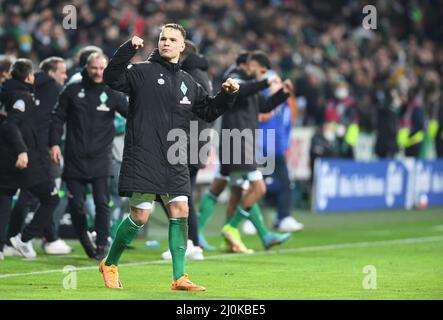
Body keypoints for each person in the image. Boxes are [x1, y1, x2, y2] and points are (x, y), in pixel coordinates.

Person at [100, 23, 239, 291]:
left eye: (172, 39)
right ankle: (110, 263)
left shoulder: (189, 82)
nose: (166, 42)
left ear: (182, 46)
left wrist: (227, 95)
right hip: (144, 154)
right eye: (163, 38)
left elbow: (208, 111)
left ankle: (179, 277)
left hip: (175, 158)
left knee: (181, 210)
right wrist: (128, 49)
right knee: (140, 216)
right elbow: (111, 77)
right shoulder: (141, 72)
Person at [50, 53, 129, 260]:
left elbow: (133, 112)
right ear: (87, 67)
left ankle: (102, 244)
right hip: (75, 158)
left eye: (102, 68)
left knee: (102, 203)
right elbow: (57, 118)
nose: (98, 72)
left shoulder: (112, 93)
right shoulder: (73, 90)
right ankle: (85, 240)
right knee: (76, 206)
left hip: (101, 159)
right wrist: (54, 144)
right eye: (94, 68)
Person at [4, 57, 71, 256]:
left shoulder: (14, 91)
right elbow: (51, 120)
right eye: (61, 72)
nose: (64, 76)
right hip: (37, 152)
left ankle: (11, 241)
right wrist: (53, 144)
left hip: (18, 150)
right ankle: (40, 238)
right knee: (47, 196)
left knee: (18, 196)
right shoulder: (50, 89)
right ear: (50, 73)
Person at [161, 40, 212, 261]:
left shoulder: (189, 76)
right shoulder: (201, 74)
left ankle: (190, 241)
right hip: (197, 142)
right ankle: (193, 241)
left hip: (186, 142)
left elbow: (184, 112)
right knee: (181, 193)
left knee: (177, 193)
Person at [256, 70, 304, 233]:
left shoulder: (285, 104)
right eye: (274, 82)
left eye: (278, 81)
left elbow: (286, 127)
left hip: (277, 150)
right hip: (261, 149)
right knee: (256, 186)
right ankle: (251, 219)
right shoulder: (261, 102)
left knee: (285, 184)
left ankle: (283, 217)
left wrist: (285, 146)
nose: (278, 85)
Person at [324, 80, 360, 158]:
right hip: (336, 126)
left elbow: (352, 116)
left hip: (349, 127)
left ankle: (349, 151)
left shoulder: (352, 102)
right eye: (339, 88)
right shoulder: (332, 102)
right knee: (329, 131)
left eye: (343, 88)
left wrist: (344, 124)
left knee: (351, 134)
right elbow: (329, 116)